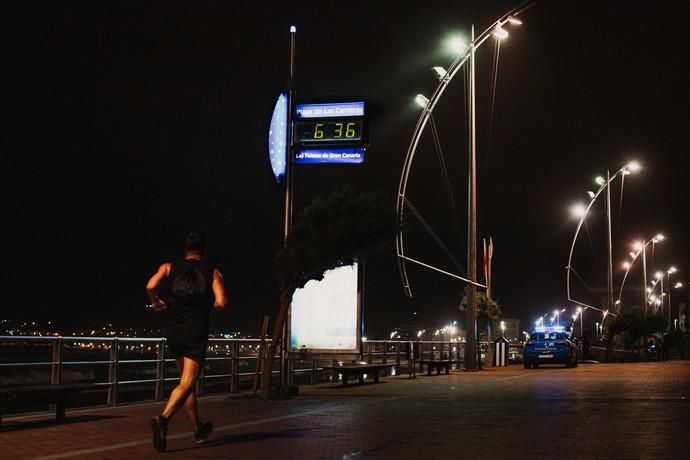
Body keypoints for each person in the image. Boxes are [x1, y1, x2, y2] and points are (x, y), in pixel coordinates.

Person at [146, 230, 227, 452]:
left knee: (185, 382)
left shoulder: (168, 267)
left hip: (174, 330)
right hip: (195, 332)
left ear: (186, 249)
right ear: (204, 249)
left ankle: (198, 429)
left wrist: (156, 302)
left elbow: (151, 286)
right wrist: (203, 307)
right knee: (188, 383)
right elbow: (221, 302)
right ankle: (162, 420)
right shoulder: (213, 272)